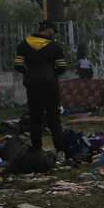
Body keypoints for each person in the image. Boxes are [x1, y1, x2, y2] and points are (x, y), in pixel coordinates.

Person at [14, 20, 68, 156]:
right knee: (53, 118)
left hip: (32, 85)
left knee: (35, 117)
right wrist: (51, 74)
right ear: (49, 30)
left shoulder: (23, 44)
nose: (54, 35)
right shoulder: (55, 46)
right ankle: (60, 149)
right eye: (53, 32)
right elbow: (61, 67)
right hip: (50, 86)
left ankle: (37, 148)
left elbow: (18, 65)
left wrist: (30, 73)